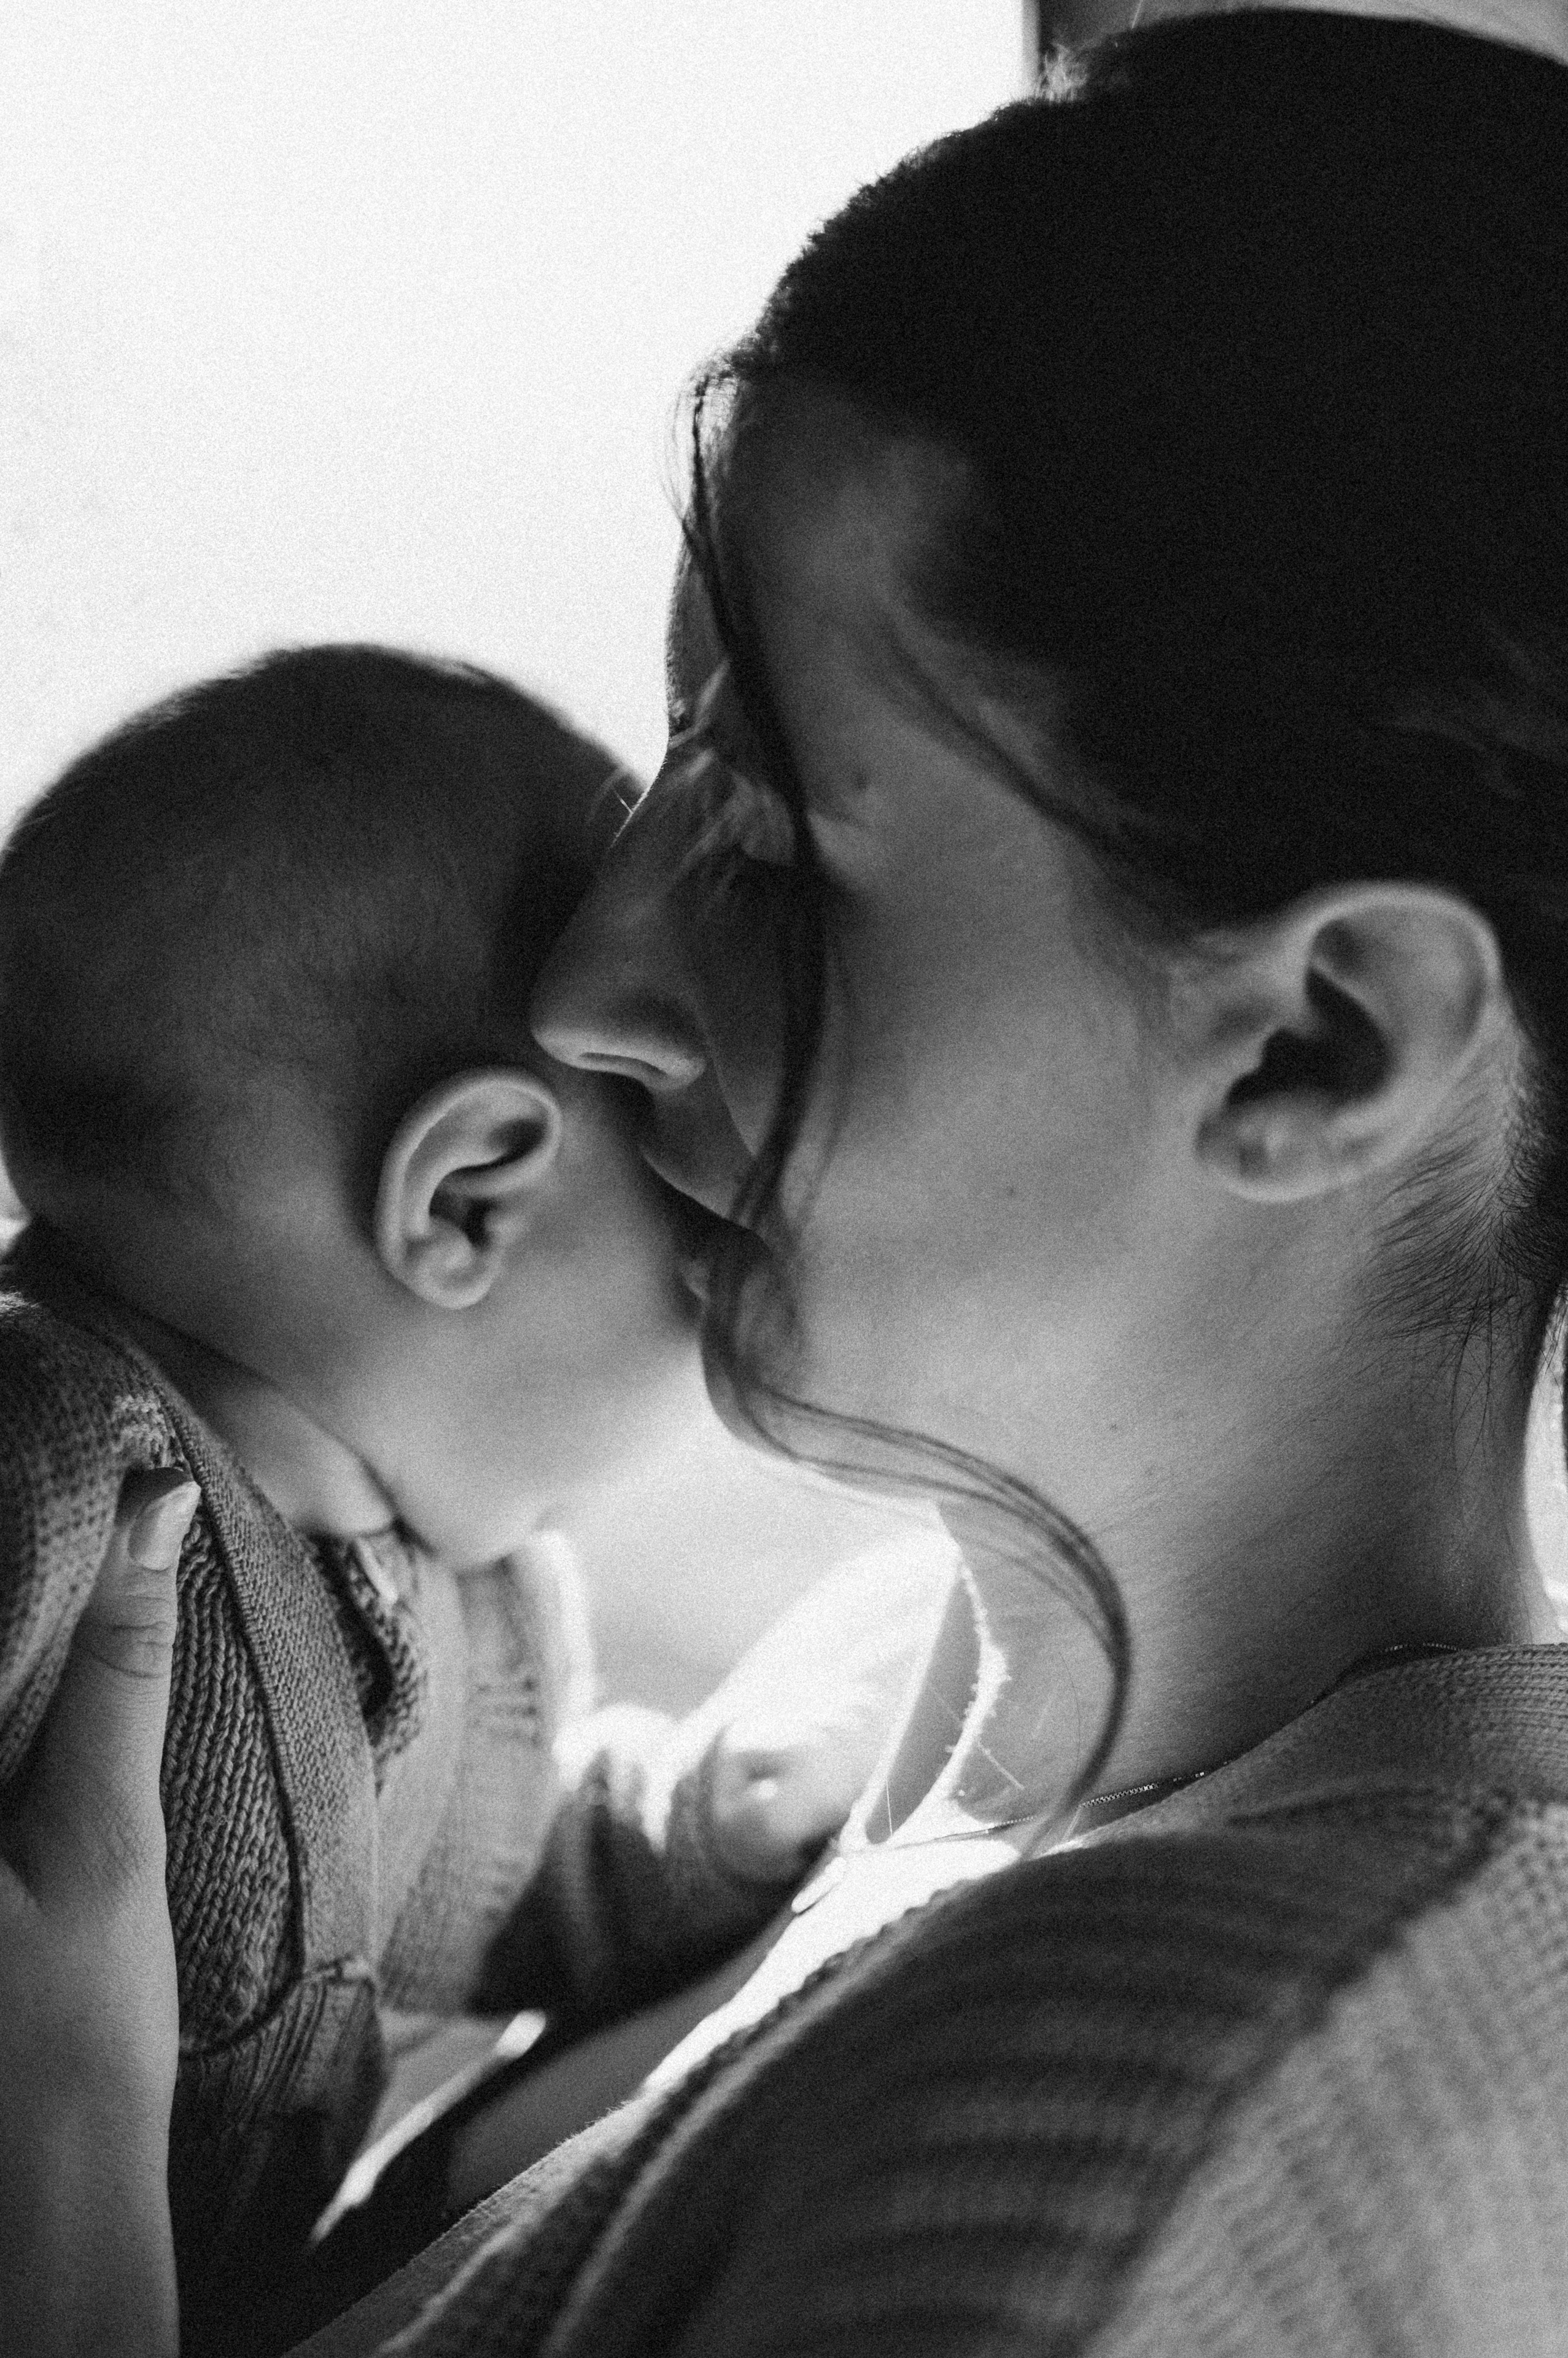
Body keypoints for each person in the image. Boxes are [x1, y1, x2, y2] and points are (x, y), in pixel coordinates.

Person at [9, 8, 1568, 2353]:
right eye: (666, 753)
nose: (588, 982)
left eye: (777, 851)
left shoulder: (1175, 2146)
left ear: (1320, 1041)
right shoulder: (919, 1685)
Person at [0, 647, 930, 2354]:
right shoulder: (58, 1445)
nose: (721, 1318)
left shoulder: (464, 1607)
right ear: (473, 1202)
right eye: (695, 1241)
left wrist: (689, 1832)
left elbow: (492, 1897)